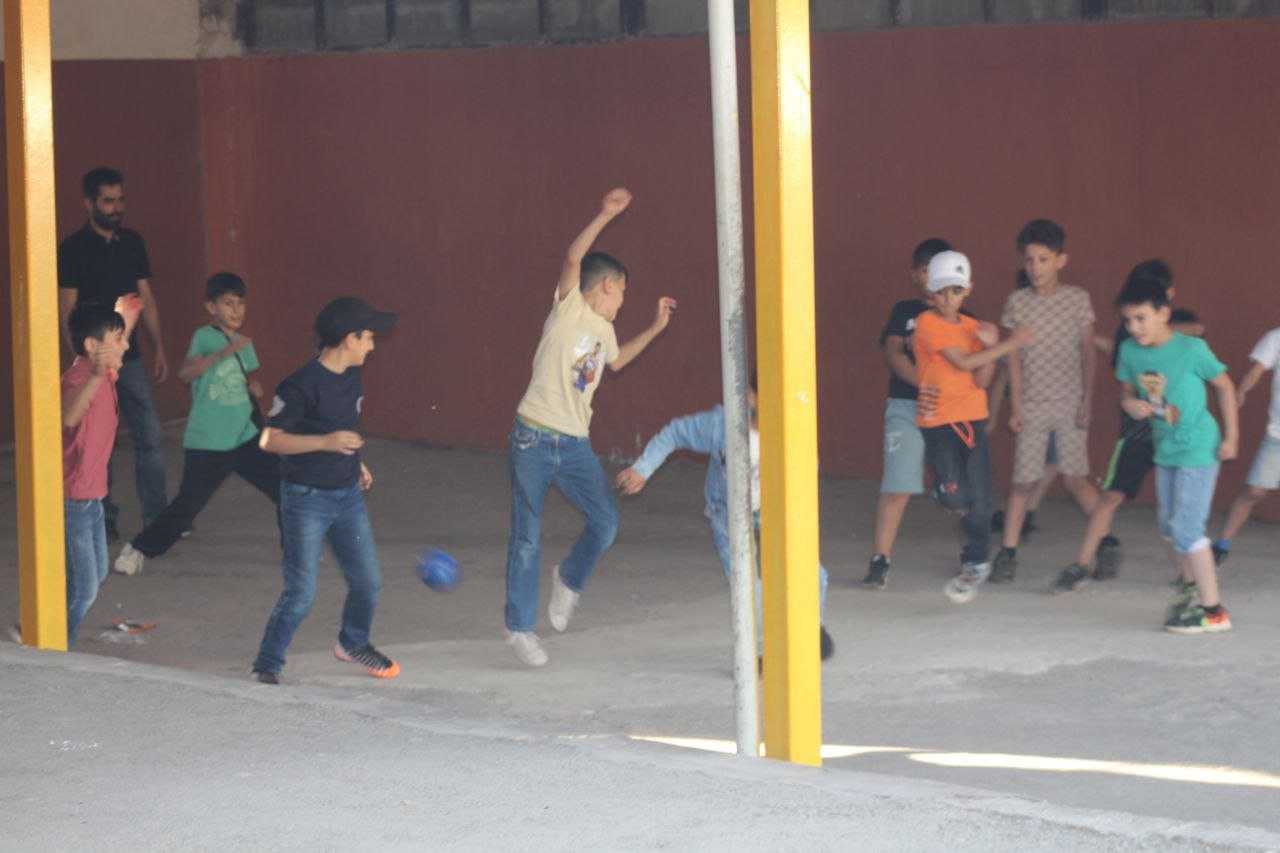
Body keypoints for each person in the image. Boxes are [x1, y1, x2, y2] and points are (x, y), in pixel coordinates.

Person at [504, 187, 677, 668]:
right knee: (526, 537)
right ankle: (519, 628)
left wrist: (656, 328)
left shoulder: (604, 330)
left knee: (605, 522)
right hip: (533, 438)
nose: (623, 300)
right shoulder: (569, 307)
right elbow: (573, 257)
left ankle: (569, 579)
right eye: (622, 291)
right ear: (606, 285)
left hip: (575, 444)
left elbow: (617, 362)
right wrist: (604, 214)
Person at [616, 379, 834, 660]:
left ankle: (812, 628)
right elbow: (675, 433)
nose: (779, 407)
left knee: (814, 574)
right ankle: (760, 654)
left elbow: (806, 478)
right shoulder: (722, 426)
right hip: (729, 515)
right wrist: (643, 469)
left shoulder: (795, 429)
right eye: (771, 398)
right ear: (751, 397)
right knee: (749, 588)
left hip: (774, 510)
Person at [251, 297, 400, 684]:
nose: (372, 345)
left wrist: (355, 462)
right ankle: (268, 662)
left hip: (347, 496)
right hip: (307, 501)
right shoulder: (300, 385)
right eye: (368, 337)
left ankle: (353, 642)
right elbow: (270, 440)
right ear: (350, 338)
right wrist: (325, 443)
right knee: (302, 592)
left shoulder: (352, 375)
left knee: (367, 581)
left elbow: (342, 429)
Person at [1051, 260, 1204, 592]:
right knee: (1110, 497)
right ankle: (1082, 564)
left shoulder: (1181, 334)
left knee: (1179, 511)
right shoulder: (1130, 336)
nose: (1136, 325)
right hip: (1138, 431)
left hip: (1176, 432)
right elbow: (1124, 377)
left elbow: (1195, 330)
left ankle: (1190, 577)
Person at [113, 273, 280, 576]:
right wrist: (224, 352)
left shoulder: (244, 342)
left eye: (240, 303)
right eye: (228, 303)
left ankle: (297, 549)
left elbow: (240, 377)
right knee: (188, 505)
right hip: (210, 441)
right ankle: (138, 548)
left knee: (284, 488)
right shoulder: (204, 337)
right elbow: (187, 374)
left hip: (244, 435)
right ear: (211, 307)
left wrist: (252, 387)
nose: (236, 310)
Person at [1113, 275, 1237, 633]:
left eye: (1141, 318)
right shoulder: (1130, 351)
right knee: (1169, 527)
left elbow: (1225, 387)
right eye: (1128, 320)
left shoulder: (1192, 349)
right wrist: (1130, 404)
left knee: (1187, 528)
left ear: (1163, 313)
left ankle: (1214, 612)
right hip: (1165, 449)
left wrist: (1232, 437)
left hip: (1199, 447)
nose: (1134, 327)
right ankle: (1189, 587)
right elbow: (1126, 393)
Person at [913, 251, 1032, 603]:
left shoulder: (973, 327)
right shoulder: (927, 323)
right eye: (941, 291)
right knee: (955, 495)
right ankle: (944, 492)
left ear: (968, 290)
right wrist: (1008, 344)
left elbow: (980, 378)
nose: (948, 298)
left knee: (980, 499)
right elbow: (963, 361)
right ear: (930, 294)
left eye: (956, 291)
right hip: (939, 422)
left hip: (971, 419)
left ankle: (976, 557)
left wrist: (991, 346)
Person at [58, 166, 170, 541]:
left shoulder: (133, 242)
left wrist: (158, 347)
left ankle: (157, 518)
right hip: (94, 364)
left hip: (130, 359)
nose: (116, 207)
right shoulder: (72, 249)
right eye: (108, 201)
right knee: (97, 442)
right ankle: (103, 518)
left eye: (120, 199)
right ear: (88, 203)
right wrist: (80, 361)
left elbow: (146, 297)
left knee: (150, 436)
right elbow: (67, 308)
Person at [992, 219, 1099, 584]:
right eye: (1029, 260)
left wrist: (1087, 400)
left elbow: (1089, 352)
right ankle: (1008, 551)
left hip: (1069, 404)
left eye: (1043, 259)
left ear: (1061, 260)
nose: (1035, 267)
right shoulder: (1017, 303)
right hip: (1033, 405)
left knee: (1075, 478)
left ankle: (1105, 539)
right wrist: (1016, 408)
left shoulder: (1077, 299)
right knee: (1023, 481)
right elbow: (1013, 360)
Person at [861, 237, 952, 590]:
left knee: (958, 488)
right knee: (898, 485)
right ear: (914, 274)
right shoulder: (905, 312)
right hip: (906, 404)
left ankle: (973, 553)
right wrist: (924, 384)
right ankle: (880, 558)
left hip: (950, 410)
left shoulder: (964, 317)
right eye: (926, 270)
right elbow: (894, 352)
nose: (933, 279)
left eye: (939, 271)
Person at [59, 299, 139, 644]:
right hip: (73, 497)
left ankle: (45, 621)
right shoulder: (81, 378)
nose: (126, 345)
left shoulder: (103, 372)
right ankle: (55, 646)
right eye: (118, 338)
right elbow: (68, 417)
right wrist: (94, 375)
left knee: (95, 573)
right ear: (92, 347)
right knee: (86, 589)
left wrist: (124, 320)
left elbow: (111, 358)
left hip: (93, 495)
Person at [1210, 323, 1280, 564]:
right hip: (1277, 434)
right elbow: (1256, 370)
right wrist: (1240, 392)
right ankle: (1223, 543)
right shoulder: (1276, 337)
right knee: (1254, 491)